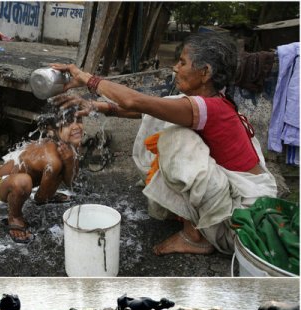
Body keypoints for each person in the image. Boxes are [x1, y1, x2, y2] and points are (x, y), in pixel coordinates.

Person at [52, 31, 277, 256]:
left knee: (175, 139)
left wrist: (86, 78)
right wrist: (97, 106)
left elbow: (136, 101)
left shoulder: (211, 109)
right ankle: (193, 219)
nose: (175, 68)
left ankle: (195, 237)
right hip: (245, 208)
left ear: (205, 72)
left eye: (182, 62)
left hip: (242, 224)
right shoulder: (212, 102)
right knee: (170, 121)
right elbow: (152, 109)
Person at [0, 104, 83, 243]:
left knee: (58, 168)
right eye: (68, 123)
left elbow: (70, 182)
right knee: (24, 182)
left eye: (79, 120)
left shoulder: (68, 145)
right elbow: (40, 199)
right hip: (3, 183)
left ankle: (49, 189)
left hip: (20, 179)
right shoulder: (52, 159)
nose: (76, 127)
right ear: (53, 131)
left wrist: (70, 161)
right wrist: (46, 194)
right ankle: (14, 217)